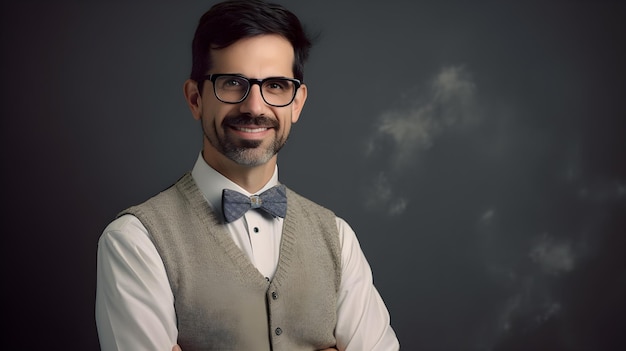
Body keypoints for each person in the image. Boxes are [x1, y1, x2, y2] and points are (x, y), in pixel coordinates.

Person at [95, 0, 400, 350]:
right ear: (195, 99)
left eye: (275, 86)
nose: (254, 107)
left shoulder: (338, 239)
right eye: (232, 82)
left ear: (297, 102)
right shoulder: (135, 241)